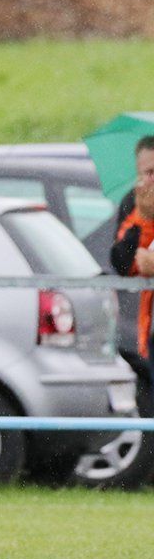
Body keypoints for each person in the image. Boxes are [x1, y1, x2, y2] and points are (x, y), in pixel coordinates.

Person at [110, 136, 154, 388]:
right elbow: (124, 263)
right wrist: (144, 218)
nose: (152, 180)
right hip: (148, 326)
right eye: (148, 173)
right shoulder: (134, 203)